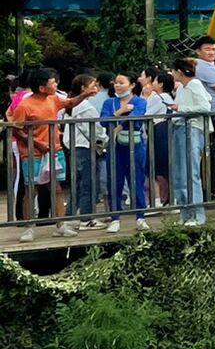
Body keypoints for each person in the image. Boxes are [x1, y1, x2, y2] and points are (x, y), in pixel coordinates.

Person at [7, 68, 94, 235]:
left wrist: (84, 95)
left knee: (57, 188)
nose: (56, 84)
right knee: (31, 189)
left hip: (54, 150)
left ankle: (61, 226)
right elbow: (17, 130)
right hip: (33, 153)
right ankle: (28, 227)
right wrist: (37, 143)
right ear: (42, 87)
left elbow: (69, 103)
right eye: (53, 82)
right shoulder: (25, 105)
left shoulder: (53, 98)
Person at [102, 72, 151, 233]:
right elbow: (103, 120)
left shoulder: (139, 101)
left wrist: (119, 125)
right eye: (116, 82)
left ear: (131, 85)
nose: (117, 85)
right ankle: (115, 218)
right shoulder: (109, 102)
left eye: (121, 82)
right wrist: (121, 111)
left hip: (135, 146)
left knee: (137, 179)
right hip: (114, 147)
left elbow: (137, 118)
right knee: (114, 181)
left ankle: (140, 217)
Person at [169, 57, 211, 226]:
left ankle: (197, 215)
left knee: (190, 171)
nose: (172, 74)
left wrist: (182, 109)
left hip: (193, 129)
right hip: (179, 128)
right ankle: (185, 213)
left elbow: (205, 107)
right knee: (180, 172)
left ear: (179, 71)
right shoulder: (181, 88)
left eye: (173, 71)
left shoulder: (195, 84)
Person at [191, 35, 215, 204]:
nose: (212, 52)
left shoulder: (208, 66)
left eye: (214, 49)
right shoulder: (203, 67)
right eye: (207, 49)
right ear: (198, 51)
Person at [64, 72, 107, 228]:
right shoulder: (85, 107)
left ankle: (69, 216)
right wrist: (104, 140)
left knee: (77, 183)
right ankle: (86, 218)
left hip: (73, 146)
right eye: (92, 84)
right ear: (83, 88)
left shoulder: (71, 105)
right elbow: (95, 130)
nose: (96, 87)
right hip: (85, 146)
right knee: (88, 183)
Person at [139, 67, 175, 208]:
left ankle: (159, 199)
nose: (152, 83)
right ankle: (168, 199)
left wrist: (146, 98)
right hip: (164, 130)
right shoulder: (168, 97)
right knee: (163, 167)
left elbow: (146, 113)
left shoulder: (159, 98)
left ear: (160, 84)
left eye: (154, 81)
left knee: (156, 167)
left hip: (158, 130)